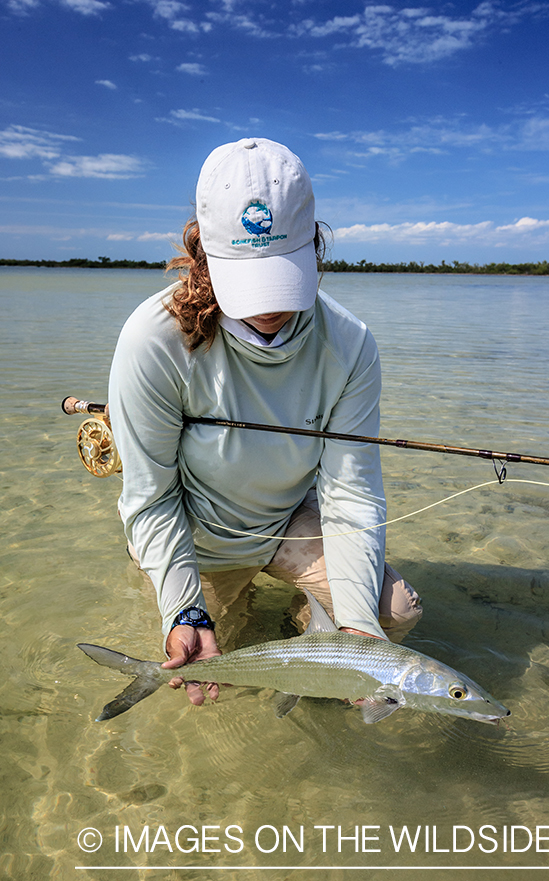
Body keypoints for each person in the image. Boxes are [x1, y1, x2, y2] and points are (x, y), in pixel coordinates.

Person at [108, 137, 422, 707]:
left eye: (283, 275)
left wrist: (353, 631)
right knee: (211, 676)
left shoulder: (350, 345)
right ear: (201, 252)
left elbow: (351, 489)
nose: (268, 308)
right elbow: (149, 496)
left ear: (316, 245)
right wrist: (184, 609)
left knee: (389, 618)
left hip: (286, 522)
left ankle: (307, 650)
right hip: (199, 533)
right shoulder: (151, 341)